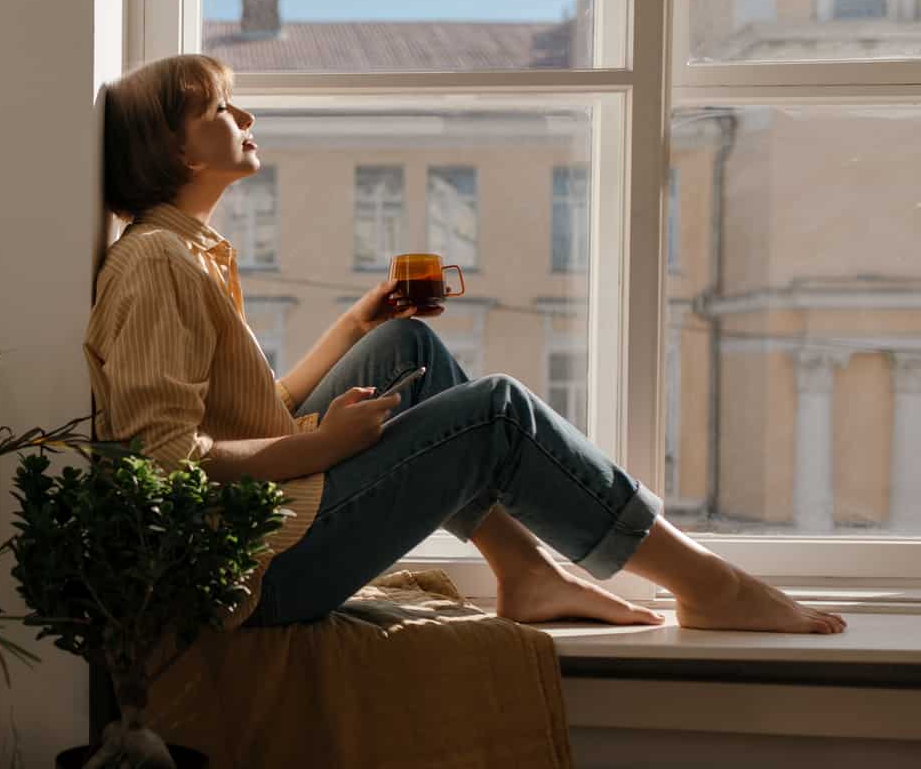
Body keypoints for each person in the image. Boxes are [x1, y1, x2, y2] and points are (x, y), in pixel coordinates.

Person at [85, 53, 845, 635]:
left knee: (405, 345)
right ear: (180, 153)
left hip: (268, 520)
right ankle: (710, 587)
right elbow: (160, 461)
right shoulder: (157, 263)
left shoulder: (191, 252)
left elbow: (256, 416)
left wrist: (359, 326)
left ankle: (523, 571)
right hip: (254, 572)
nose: (244, 113)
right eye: (221, 107)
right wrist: (322, 448)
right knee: (497, 414)